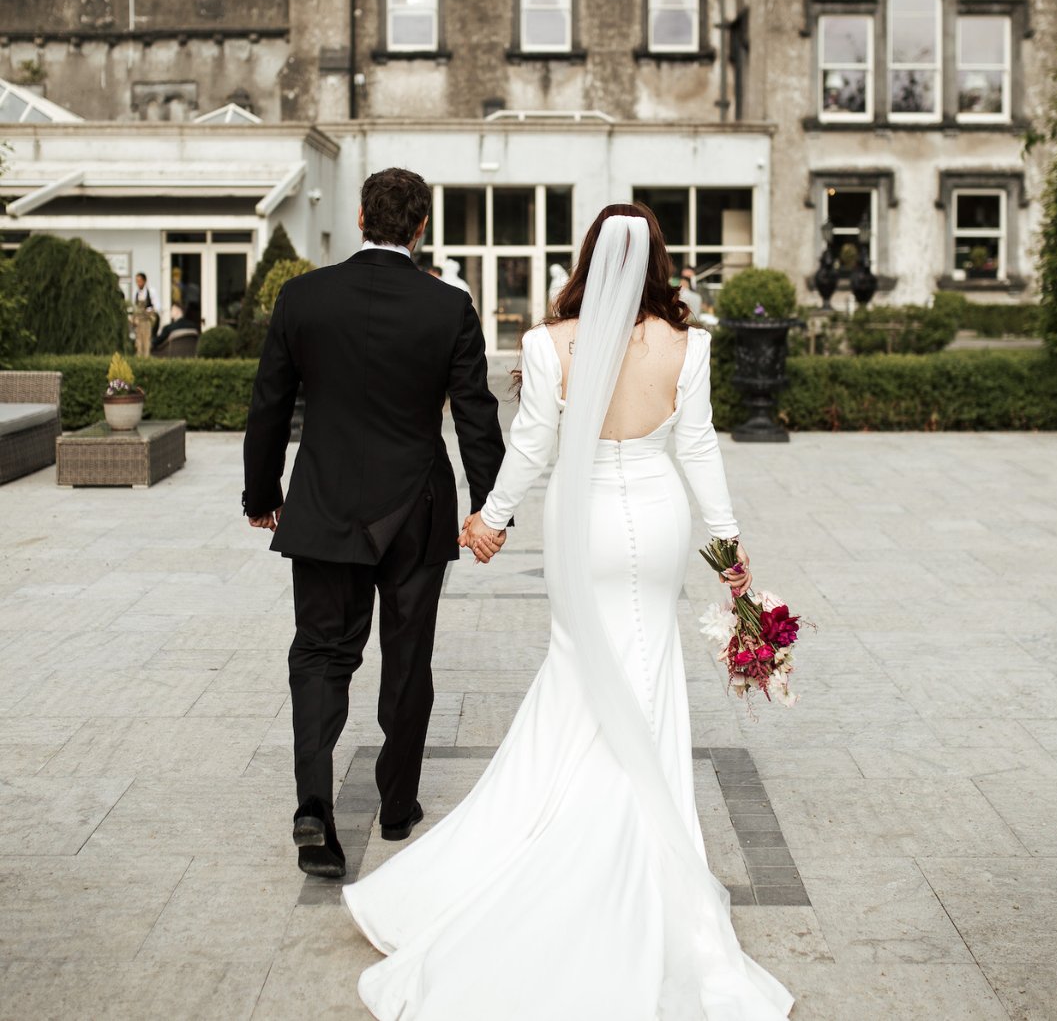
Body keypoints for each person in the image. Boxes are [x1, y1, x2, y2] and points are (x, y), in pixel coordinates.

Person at [342, 203, 795, 1020]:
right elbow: (698, 447)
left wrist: (491, 519)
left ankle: (561, 834)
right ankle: (645, 846)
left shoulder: (550, 344)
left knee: (580, 672)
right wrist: (729, 552)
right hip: (658, 521)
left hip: (581, 526)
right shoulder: (688, 346)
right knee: (648, 675)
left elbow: (533, 445)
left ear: (587, 257)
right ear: (660, 261)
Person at [242, 167, 505, 879]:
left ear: (360, 217)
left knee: (322, 653)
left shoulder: (303, 298)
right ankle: (396, 805)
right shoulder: (447, 307)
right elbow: (476, 414)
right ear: (422, 227)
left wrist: (261, 494)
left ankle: (313, 808)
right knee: (407, 655)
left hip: (326, 505)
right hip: (415, 511)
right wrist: (489, 504)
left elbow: (269, 406)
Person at [130, 272, 159, 357]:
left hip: (147, 320)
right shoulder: (135, 293)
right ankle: (139, 357)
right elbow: (134, 307)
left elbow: (157, 306)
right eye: (137, 281)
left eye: (140, 281)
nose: (138, 283)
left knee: (146, 340)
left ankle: (146, 357)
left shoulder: (151, 291)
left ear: (144, 281)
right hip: (138, 321)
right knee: (138, 340)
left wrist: (148, 311)